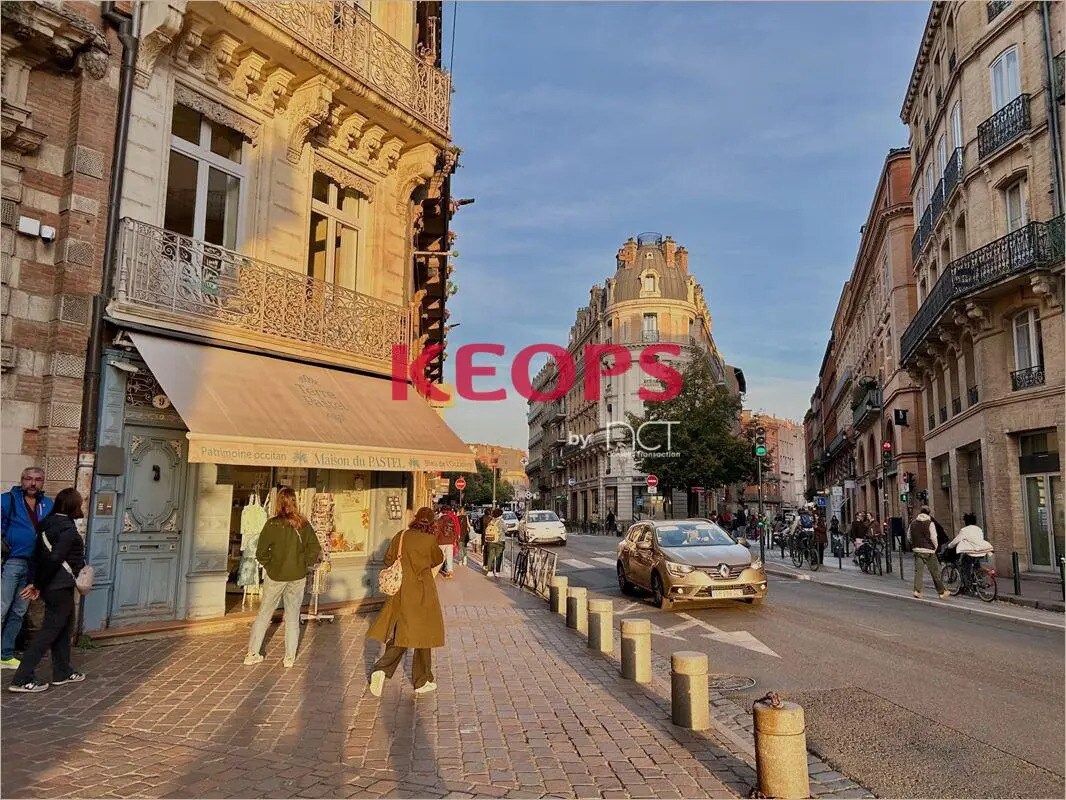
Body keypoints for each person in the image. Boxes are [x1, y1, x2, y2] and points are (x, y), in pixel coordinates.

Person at [8, 488, 85, 693]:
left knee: (63, 628)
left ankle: (63, 671)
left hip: (54, 585)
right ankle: (22, 678)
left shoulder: (46, 523)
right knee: (49, 631)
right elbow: (54, 559)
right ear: (72, 505)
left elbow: (37, 557)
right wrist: (38, 585)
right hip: (59, 585)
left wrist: (36, 582)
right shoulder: (67, 529)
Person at [367, 507, 445, 696]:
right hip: (423, 592)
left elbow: (388, 559)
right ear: (432, 522)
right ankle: (421, 679)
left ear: (415, 519)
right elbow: (438, 559)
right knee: (423, 635)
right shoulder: (430, 540)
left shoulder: (401, 536)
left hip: (401, 592)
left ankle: (384, 670)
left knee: (401, 633)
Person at [243, 487, 321, 668]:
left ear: (278, 503)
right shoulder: (303, 524)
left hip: (275, 576)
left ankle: (252, 653)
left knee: (264, 614)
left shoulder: (272, 525)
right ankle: (289, 658)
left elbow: (260, 551)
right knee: (293, 616)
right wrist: (303, 564)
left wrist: (271, 566)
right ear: (295, 502)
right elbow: (314, 548)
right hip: (297, 575)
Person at [1, 467, 53, 670]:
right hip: (11, 562)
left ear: (42, 482)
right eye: (28, 479)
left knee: (19, 612)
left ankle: (4, 655)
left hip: (33, 566)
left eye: (37, 479)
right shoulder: (7, 500)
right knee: (1, 608)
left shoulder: (47, 504)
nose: (32, 483)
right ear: (21, 480)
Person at [909, 506, 949, 599]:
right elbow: (934, 537)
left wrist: (914, 544)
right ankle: (942, 592)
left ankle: (917, 591)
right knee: (935, 572)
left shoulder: (913, 523)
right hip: (929, 550)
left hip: (917, 550)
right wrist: (935, 547)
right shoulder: (930, 523)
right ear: (928, 513)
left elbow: (909, 537)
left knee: (918, 571)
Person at [945, 513, 993, 588]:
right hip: (981, 551)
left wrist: (949, 546)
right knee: (976, 567)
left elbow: (956, 540)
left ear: (966, 522)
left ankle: (968, 586)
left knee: (965, 567)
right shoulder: (979, 529)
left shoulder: (964, 530)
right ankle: (982, 577)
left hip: (971, 552)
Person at [435, 506, 458, 579]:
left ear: (441, 512)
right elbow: (454, 531)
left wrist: (435, 539)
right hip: (450, 541)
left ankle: (436, 571)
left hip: (441, 541)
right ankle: (449, 571)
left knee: (440, 557)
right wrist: (454, 539)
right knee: (449, 557)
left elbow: (437, 531)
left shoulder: (440, 520)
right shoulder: (451, 520)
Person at [482, 508, 506, 578]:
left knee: (491, 556)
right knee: (498, 557)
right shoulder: (501, 521)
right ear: (500, 515)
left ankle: (490, 571)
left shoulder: (491, 521)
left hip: (491, 540)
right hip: (500, 541)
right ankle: (497, 572)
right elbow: (506, 529)